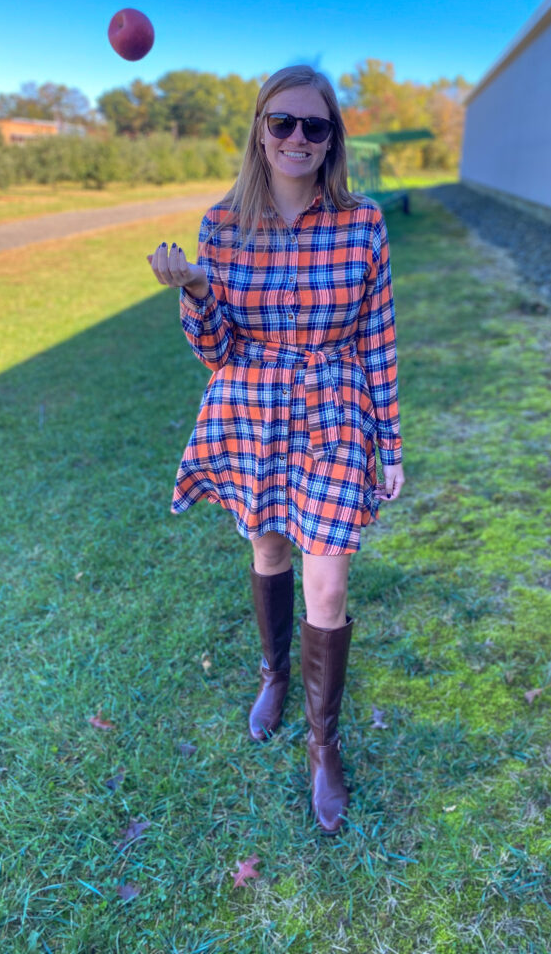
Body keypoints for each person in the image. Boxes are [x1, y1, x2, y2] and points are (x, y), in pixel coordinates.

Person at [147, 65, 404, 834]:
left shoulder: (363, 225)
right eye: (282, 123)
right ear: (260, 130)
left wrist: (390, 443)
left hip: (334, 409)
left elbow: (378, 339)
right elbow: (218, 349)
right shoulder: (222, 225)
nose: (297, 138)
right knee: (267, 554)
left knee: (327, 585)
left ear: (332, 140)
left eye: (314, 126)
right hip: (251, 409)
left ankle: (324, 745)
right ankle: (274, 675)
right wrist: (196, 290)